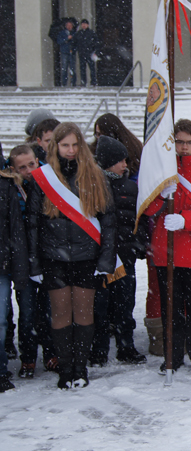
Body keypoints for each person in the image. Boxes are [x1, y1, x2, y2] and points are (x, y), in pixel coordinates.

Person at [26, 122, 116, 389]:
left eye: (75, 145)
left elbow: (108, 221)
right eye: (65, 145)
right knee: (60, 314)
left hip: (87, 257)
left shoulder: (95, 175)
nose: (71, 150)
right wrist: (35, 263)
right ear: (55, 146)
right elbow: (32, 224)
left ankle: (80, 368)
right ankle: (65, 369)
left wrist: (106, 260)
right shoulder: (42, 178)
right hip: (53, 258)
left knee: (84, 314)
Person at [144, 119, 191, 374]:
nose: (184, 147)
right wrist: (160, 194)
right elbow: (148, 209)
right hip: (165, 250)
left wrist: (185, 220)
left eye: (190, 142)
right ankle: (172, 357)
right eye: (179, 142)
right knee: (170, 310)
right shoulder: (163, 169)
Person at [89, 136, 147, 366]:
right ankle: (99, 350)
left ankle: (126, 347)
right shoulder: (92, 188)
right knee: (100, 308)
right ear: (107, 163)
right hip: (100, 259)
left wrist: (138, 244)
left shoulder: (130, 187)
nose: (125, 165)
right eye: (120, 161)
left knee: (125, 305)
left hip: (125, 256)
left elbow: (139, 220)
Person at [7, 145, 56, 378]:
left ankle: (51, 353)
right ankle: (28, 357)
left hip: (46, 254)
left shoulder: (49, 182)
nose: (28, 171)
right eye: (22, 167)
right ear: (13, 169)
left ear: (38, 161)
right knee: (27, 311)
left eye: (31, 164)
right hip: (22, 258)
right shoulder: (11, 189)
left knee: (49, 309)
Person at [0, 168, 29, 392]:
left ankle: (0, 370)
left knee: (1, 321)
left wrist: (19, 269)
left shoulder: (5, 187)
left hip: (1, 263)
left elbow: (16, 230)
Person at [91, 114, 143, 180]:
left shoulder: (132, 150)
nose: (100, 138)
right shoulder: (93, 150)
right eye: (97, 134)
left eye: (102, 134)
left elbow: (137, 176)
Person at [74, 19, 100, 87]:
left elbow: (96, 43)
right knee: (82, 68)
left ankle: (93, 82)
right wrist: (75, 49)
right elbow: (75, 43)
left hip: (90, 53)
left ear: (88, 25)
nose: (84, 25)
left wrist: (96, 52)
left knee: (92, 68)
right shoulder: (79, 33)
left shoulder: (92, 33)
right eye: (82, 24)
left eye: (85, 24)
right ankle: (83, 82)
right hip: (81, 53)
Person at [57, 19, 76, 87]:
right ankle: (64, 83)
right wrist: (66, 38)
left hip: (72, 52)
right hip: (64, 52)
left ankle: (73, 83)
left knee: (72, 68)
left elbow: (76, 42)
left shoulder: (74, 33)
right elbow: (59, 41)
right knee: (64, 68)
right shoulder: (62, 33)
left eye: (70, 25)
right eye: (68, 25)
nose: (69, 27)